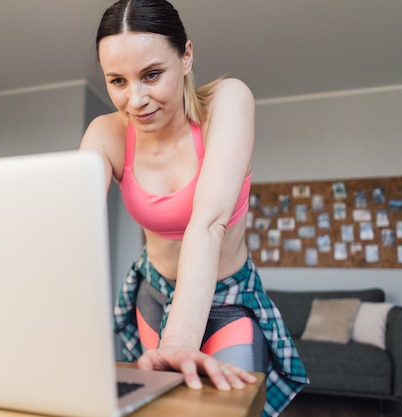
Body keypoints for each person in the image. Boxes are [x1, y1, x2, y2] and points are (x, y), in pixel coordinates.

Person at [80, 1, 308, 415]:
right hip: (153, 292)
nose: (136, 100)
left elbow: (208, 224)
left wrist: (180, 341)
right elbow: (69, 228)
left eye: (152, 75)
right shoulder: (107, 133)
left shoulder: (227, 100)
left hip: (230, 297)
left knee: (228, 408)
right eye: (117, 81)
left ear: (185, 56)